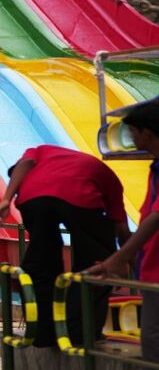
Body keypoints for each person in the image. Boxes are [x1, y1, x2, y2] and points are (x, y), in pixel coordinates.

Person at [0, 145, 129, 348]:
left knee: (40, 263)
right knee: (96, 263)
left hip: (33, 200)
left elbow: (26, 163)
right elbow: (121, 228)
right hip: (80, 196)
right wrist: (123, 260)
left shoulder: (37, 155)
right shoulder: (56, 155)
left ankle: (41, 333)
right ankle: (79, 334)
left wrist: (6, 199)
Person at [88, 99, 159, 361]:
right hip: (150, 267)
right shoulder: (155, 167)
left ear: (147, 133)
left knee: (153, 340)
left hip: (156, 271)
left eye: (132, 131)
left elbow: (156, 217)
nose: (129, 137)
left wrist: (118, 257)